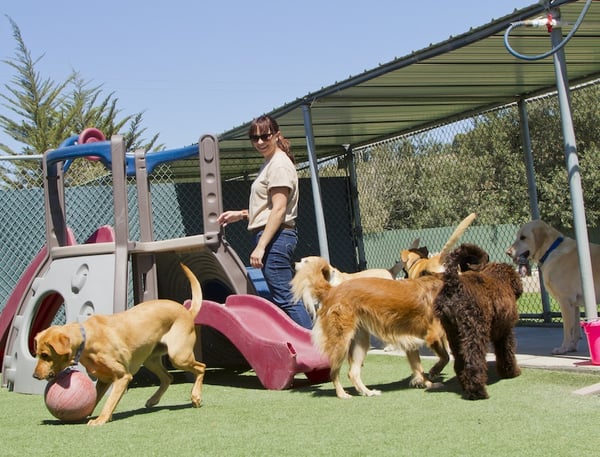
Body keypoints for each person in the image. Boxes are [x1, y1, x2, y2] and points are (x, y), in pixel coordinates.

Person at [217, 115, 312, 329]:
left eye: (265, 136)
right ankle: (309, 351)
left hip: (276, 239)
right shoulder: (269, 163)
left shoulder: (278, 165)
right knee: (284, 298)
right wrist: (241, 214)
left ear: (276, 135)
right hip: (273, 236)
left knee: (286, 299)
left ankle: (317, 354)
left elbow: (279, 210)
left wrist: (261, 247)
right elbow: (269, 210)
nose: (260, 142)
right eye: (254, 138)